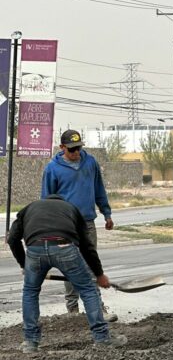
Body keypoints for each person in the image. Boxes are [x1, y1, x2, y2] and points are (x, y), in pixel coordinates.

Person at [7, 195, 127, 353]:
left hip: (35, 250)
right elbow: (86, 246)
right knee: (87, 289)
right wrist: (99, 275)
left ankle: (30, 342)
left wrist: (24, 264)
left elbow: (12, 239)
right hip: (64, 248)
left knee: (30, 292)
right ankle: (102, 338)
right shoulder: (71, 209)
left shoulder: (28, 208)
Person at [41, 129, 117, 322]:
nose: (76, 153)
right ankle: (72, 310)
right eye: (72, 149)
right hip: (65, 226)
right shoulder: (52, 169)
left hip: (87, 223)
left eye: (78, 148)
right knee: (69, 266)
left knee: (91, 264)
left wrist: (106, 213)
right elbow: (46, 200)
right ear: (62, 147)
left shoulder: (90, 162)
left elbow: (99, 189)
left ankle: (98, 309)